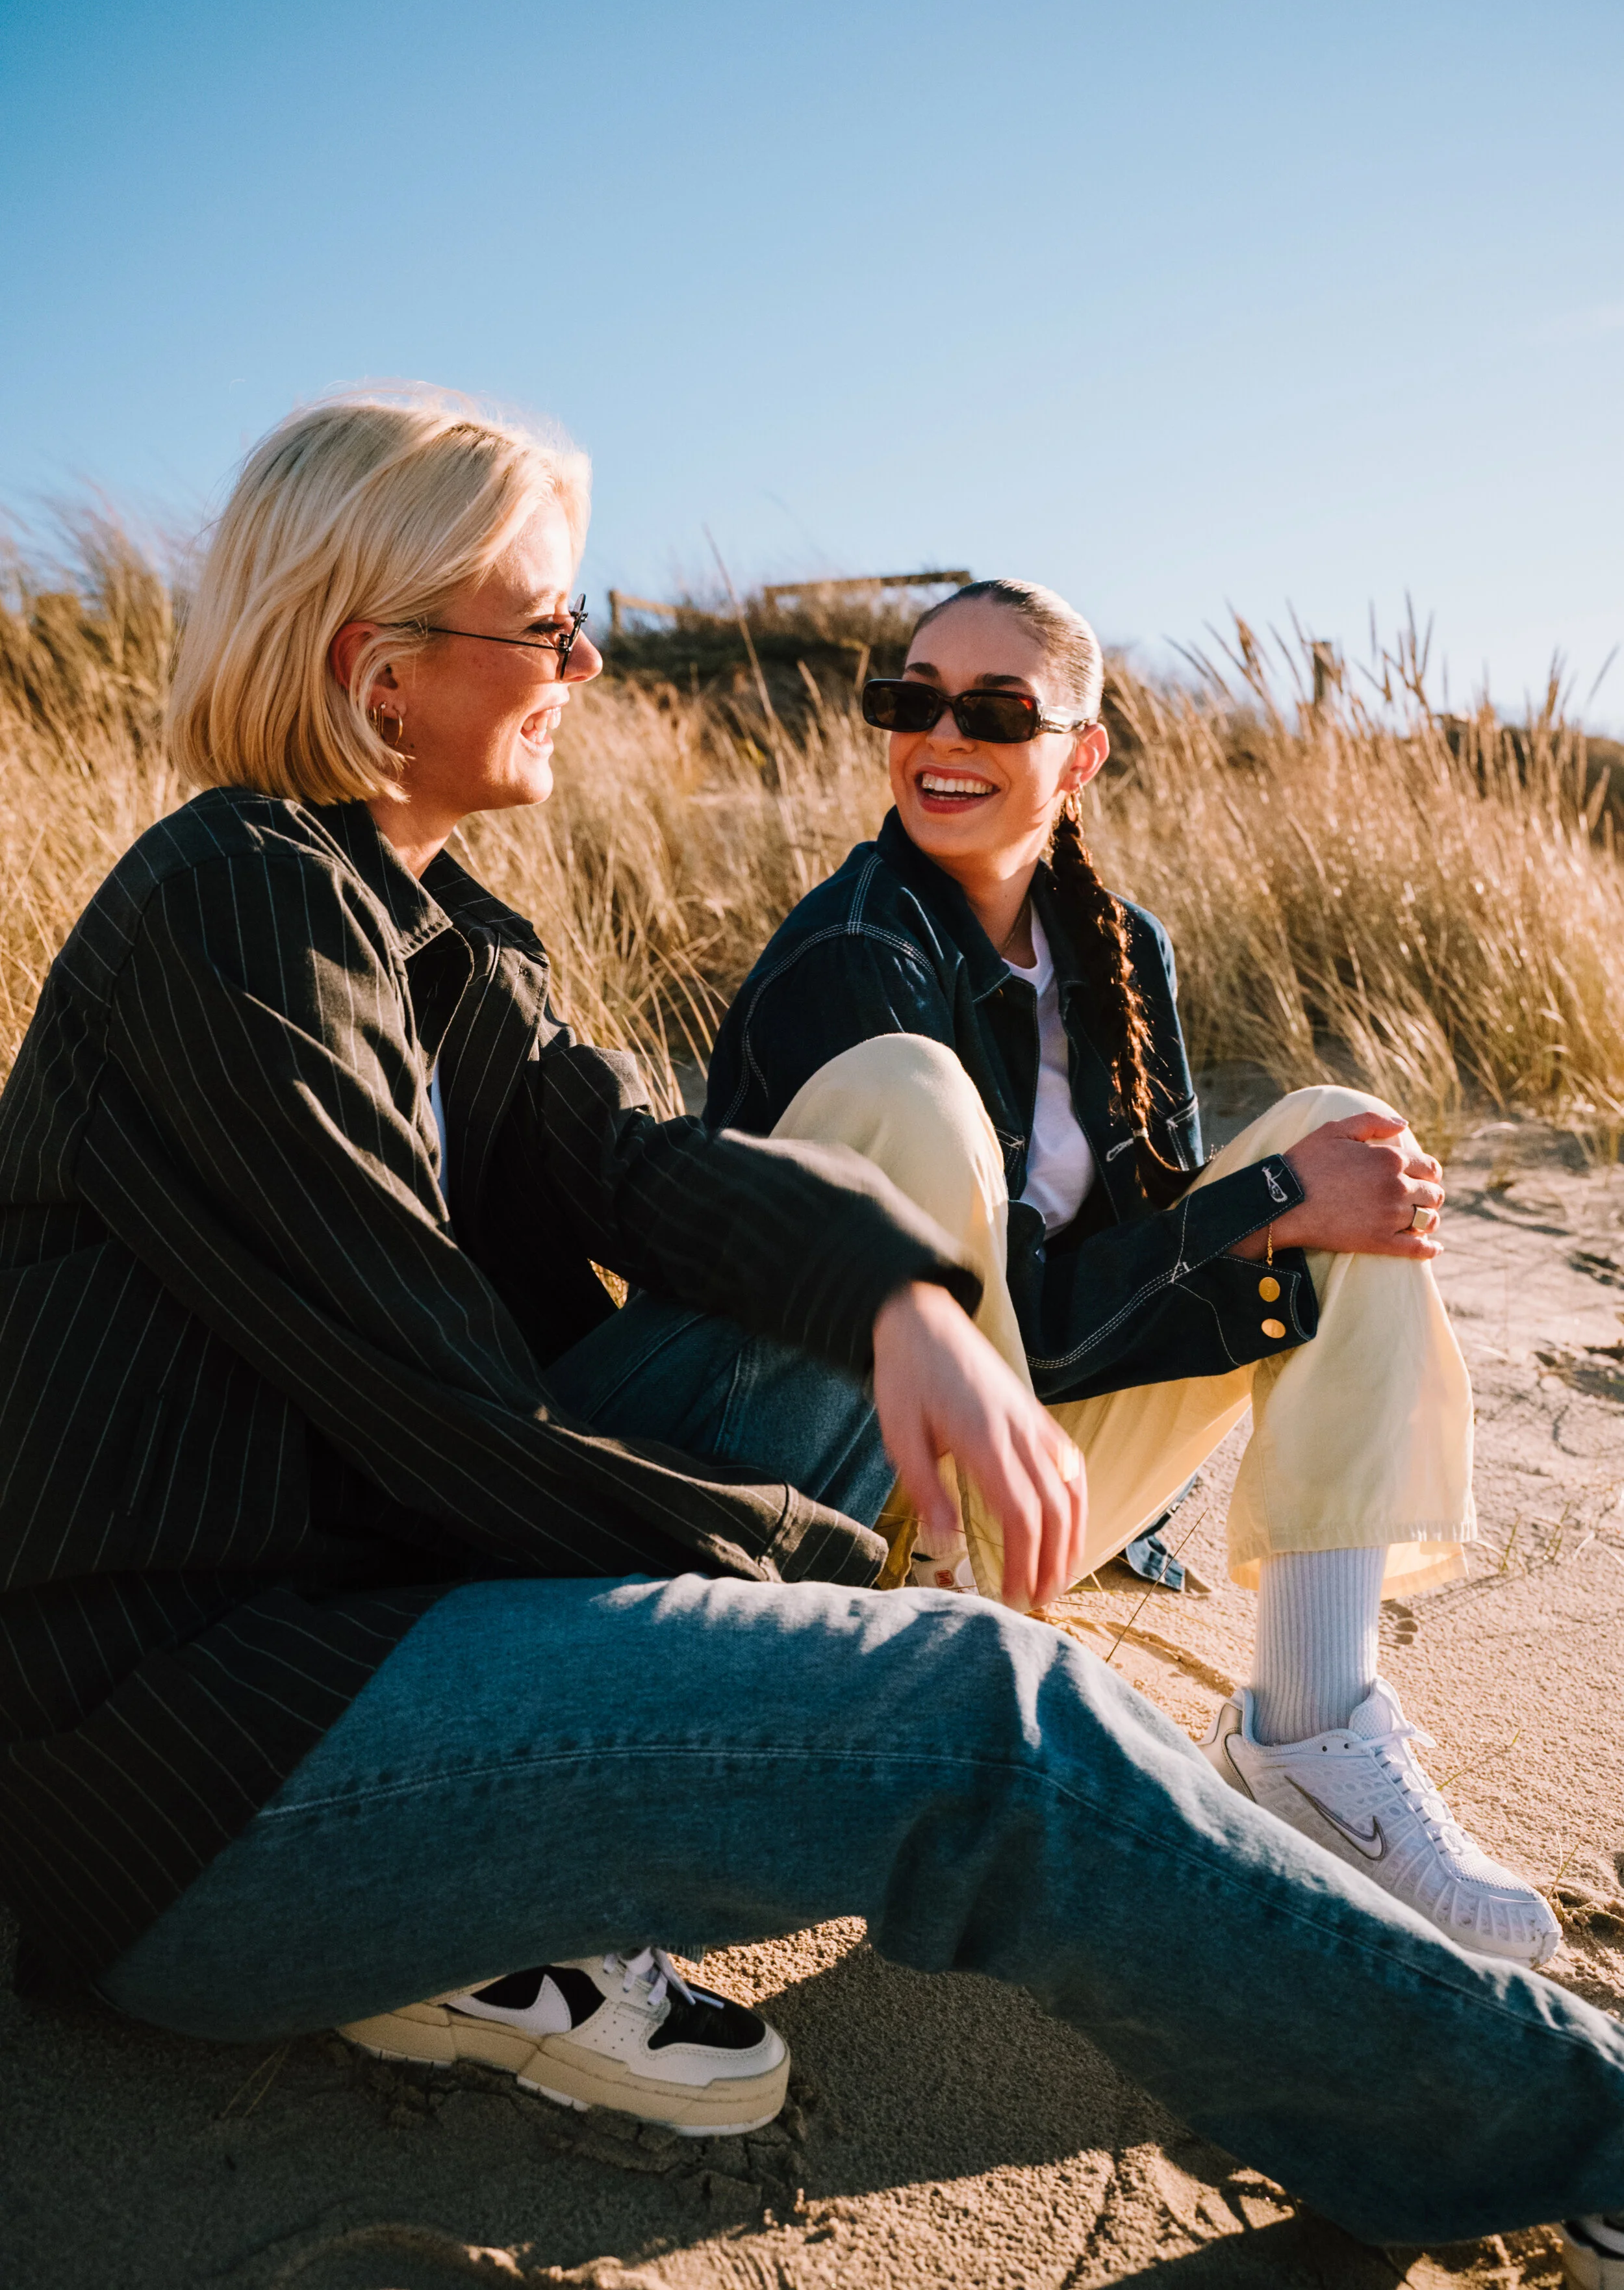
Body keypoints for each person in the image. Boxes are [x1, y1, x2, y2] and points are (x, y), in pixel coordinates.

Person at [3, 400, 1623, 2252]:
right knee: (986, 1710)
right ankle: (1584, 2137)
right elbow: (440, 1421)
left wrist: (900, 1304)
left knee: (854, 1321)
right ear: (380, 674)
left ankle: (519, 1901)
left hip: (391, 1624)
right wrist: (844, 1583)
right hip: (212, 1766)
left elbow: (653, 1172)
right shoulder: (232, 906)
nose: (586, 659)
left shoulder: (452, 937)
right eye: (545, 624)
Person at [705, 576, 1559, 1968]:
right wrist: (1268, 1207)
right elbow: (996, 1320)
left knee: (1346, 1136)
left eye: (993, 710)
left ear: (1081, 750)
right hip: (845, 1511)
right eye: (907, 700)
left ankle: (1307, 1728)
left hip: (1018, 1502)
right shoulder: (852, 957)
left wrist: (1289, 1191)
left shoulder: (1120, 953)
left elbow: (1127, 1267)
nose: (939, 737)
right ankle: (938, 1687)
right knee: (967, 1105)